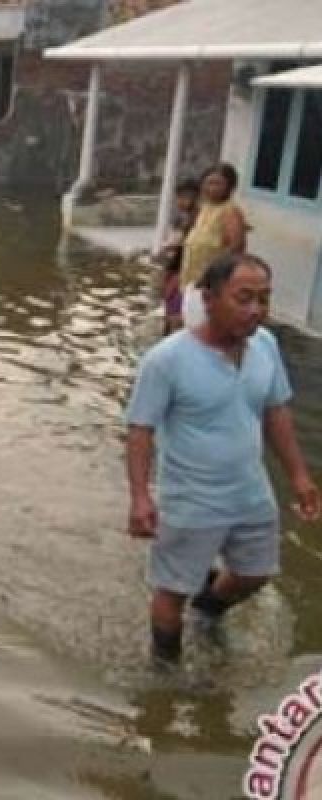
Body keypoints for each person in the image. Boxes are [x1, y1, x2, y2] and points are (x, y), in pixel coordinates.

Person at [126, 253, 320, 668]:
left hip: (250, 490)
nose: (256, 310)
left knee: (256, 574)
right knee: (171, 590)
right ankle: (165, 671)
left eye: (263, 299)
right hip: (191, 498)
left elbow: (276, 412)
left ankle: (209, 609)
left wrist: (300, 476)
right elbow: (140, 429)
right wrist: (141, 498)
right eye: (244, 298)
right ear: (209, 299)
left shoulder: (265, 346)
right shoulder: (167, 360)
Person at [181, 163, 247, 329]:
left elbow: (236, 247)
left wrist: (213, 276)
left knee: (204, 326)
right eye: (208, 182)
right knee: (191, 324)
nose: (211, 187)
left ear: (230, 186)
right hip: (192, 278)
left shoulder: (230, 211)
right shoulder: (204, 208)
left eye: (217, 183)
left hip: (211, 283)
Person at [157, 179, 200, 335]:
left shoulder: (197, 220)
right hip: (174, 267)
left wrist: (169, 247)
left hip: (182, 270)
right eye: (180, 198)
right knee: (170, 308)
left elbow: (183, 244)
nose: (181, 202)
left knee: (176, 311)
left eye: (187, 197)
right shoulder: (183, 218)